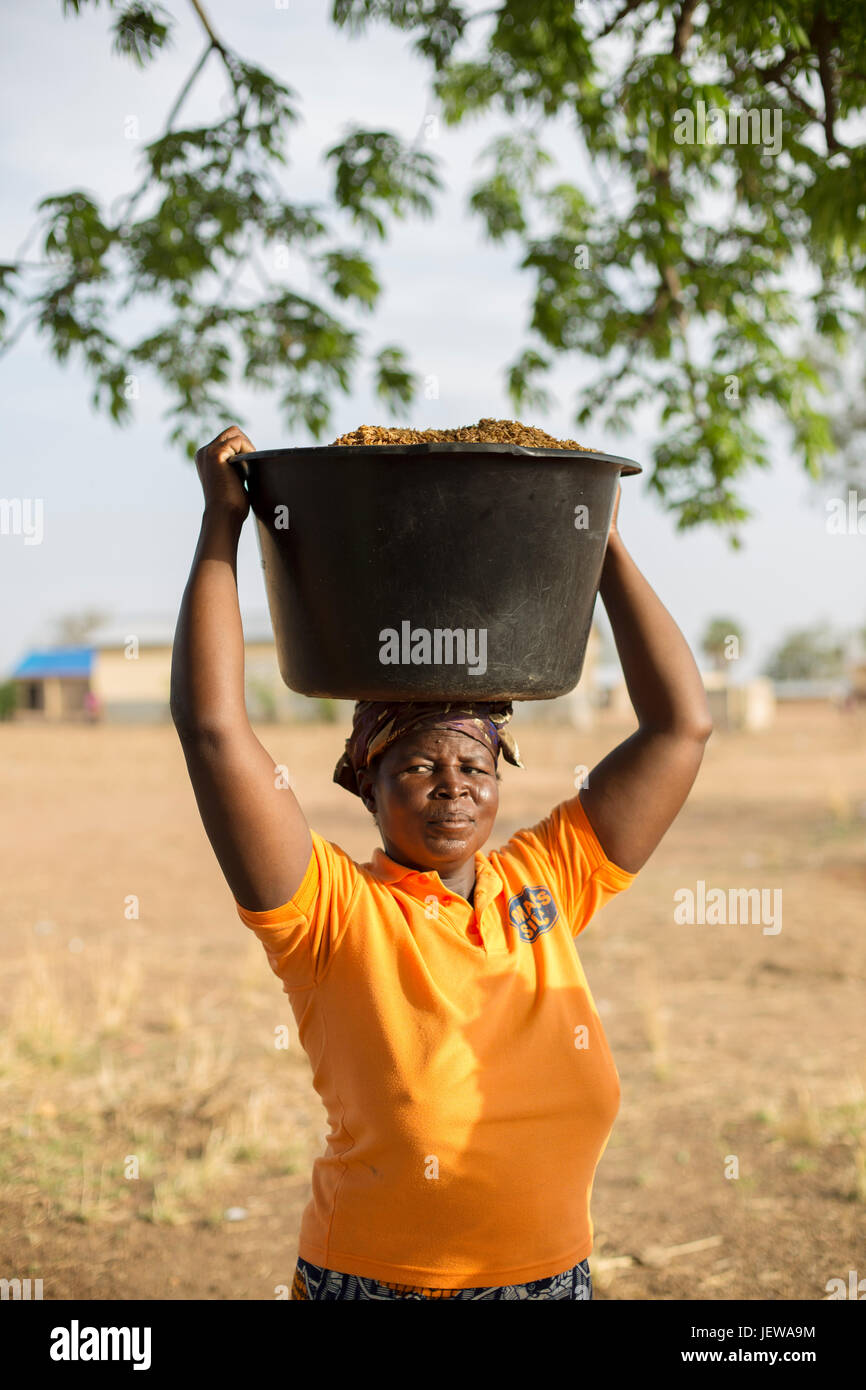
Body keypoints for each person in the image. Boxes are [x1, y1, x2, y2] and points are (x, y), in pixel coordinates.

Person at [171, 424, 713, 1301]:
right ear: (367, 784)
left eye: (473, 765)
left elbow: (680, 729)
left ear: (500, 779)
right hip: (384, 1284)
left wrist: (598, 540)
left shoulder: (544, 879)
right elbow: (214, 732)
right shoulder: (332, 915)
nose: (452, 790)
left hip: (552, 1279)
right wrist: (220, 525)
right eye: (418, 766)